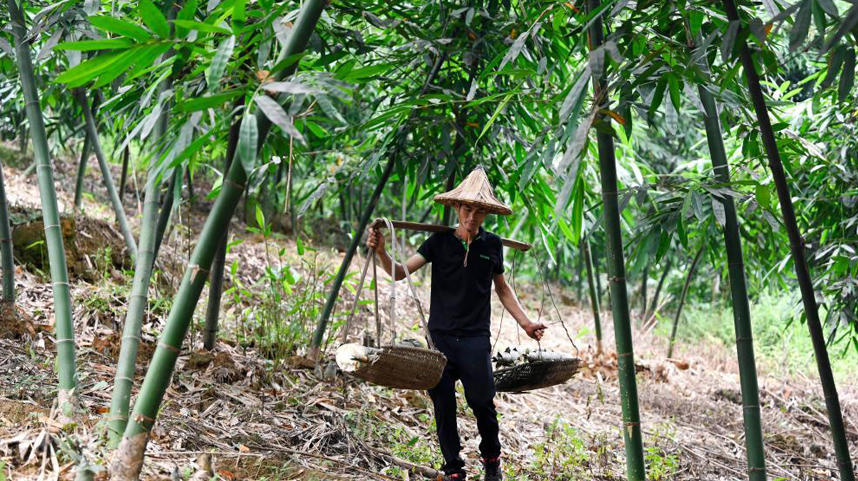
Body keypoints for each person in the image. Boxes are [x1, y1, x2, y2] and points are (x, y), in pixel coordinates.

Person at [367, 166, 546, 481]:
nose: (472, 217)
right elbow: (399, 272)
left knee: (482, 403)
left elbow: (502, 289)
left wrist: (527, 323)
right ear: (456, 208)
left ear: (486, 214)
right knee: (443, 404)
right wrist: (382, 252)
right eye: (467, 209)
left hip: (475, 338)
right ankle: (453, 469)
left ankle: (491, 459)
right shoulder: (439, 242)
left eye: (479, 211)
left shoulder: (491, 246)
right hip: (441, 339)